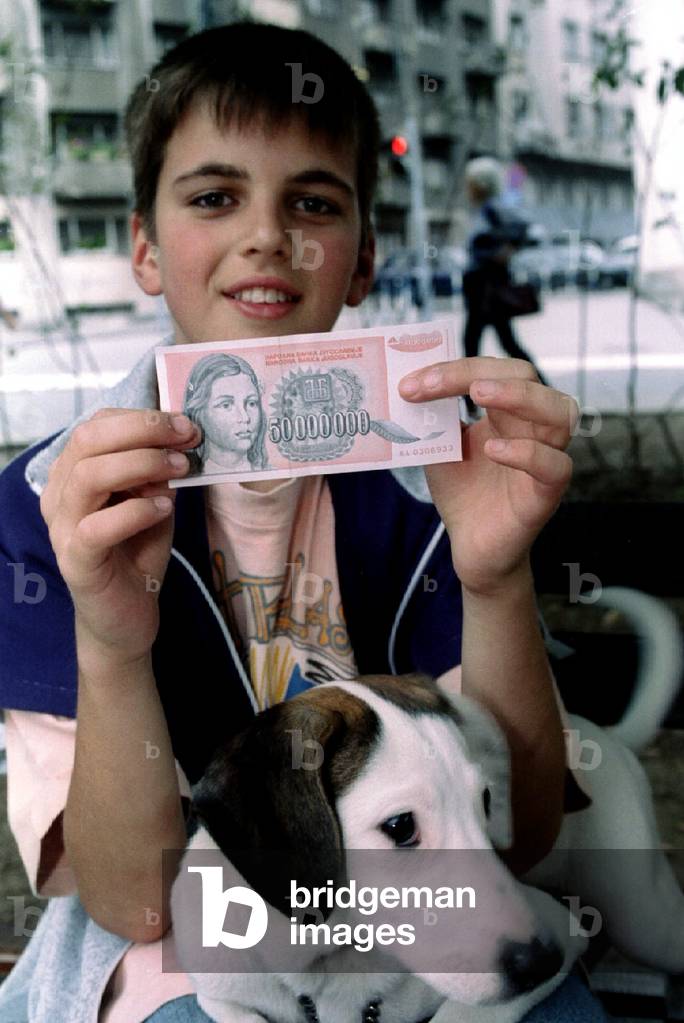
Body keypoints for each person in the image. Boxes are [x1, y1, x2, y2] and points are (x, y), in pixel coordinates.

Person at [0, 22, 608, 1023]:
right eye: (213, 196)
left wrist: (496, 580)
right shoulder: (49, 510)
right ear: (145, 250)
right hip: (188, 955)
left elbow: (522, 836)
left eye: (313, 203)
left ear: (363, 259)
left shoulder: (432, 485)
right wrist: (110, 643)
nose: (267, 235)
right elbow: (134, 900)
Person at [461, 157, 548, 414]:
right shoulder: (486, 208)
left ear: (480, 184)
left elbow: (524, 229)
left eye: (471, 183)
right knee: (504, 343)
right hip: (485, 283)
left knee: (474, 343)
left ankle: (471, 403)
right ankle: (544, 389)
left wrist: (505, 250)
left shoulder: (491, 208)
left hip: (485, 285)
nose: (468, 188)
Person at [182, 353, 268, 475]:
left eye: (251, 403)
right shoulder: (184, 477)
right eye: (226, 405)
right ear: (199, 413)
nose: (245, 418)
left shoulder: (271, 471)